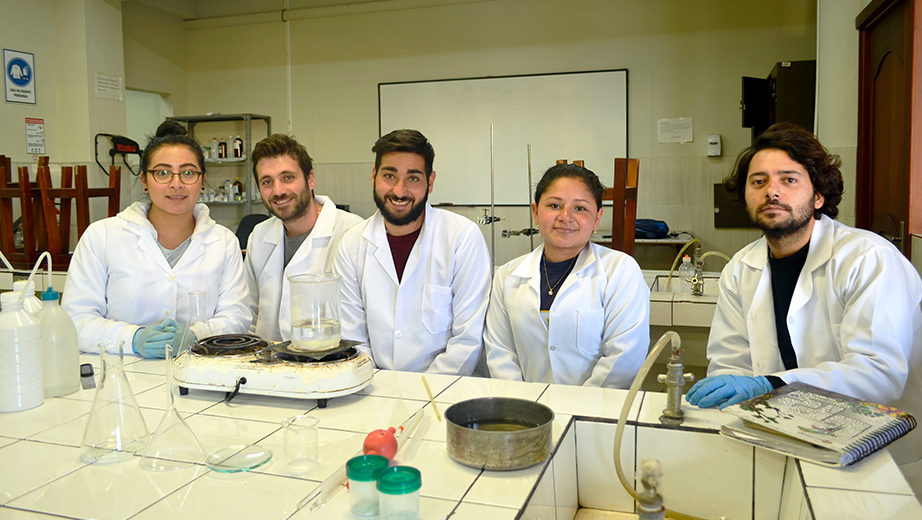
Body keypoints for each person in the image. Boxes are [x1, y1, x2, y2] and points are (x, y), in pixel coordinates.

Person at [685, 123, 922, 491]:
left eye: (789, 179)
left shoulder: (869, 258)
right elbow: (730, 362)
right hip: (788, 438)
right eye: (758, 181)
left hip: (880, 448)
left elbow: (879, 374)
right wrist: (722, 387)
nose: (772, 192)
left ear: (818, 196)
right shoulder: (740, 269)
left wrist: (772, 383)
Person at [62, 121, 251, 358]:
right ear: (144, 180)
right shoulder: (102, 236)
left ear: (202, 181)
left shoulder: (224, 242)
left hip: (198, 374)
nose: (176, 183)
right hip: (122, 376)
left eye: (188, 173)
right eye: (162, 173)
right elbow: (76, 319)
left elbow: (237, 315)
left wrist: (196, 335)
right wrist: (133, 339)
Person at [333, 129, 491, 374]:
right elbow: (354, 339)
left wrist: (423, 396)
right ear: (374, 176)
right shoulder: (351, 244)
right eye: (389, 175)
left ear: (431, 181)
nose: (399, 190)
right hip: (374, 389)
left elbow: (467, 341)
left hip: (444, 392)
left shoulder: (462, 238)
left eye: (413, 178)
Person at [483, 163, 649, 387]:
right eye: (554, 205)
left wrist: (578, 408)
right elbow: (500, 352)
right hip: (525, 414)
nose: (565, 216)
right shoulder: (508, 275)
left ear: (597, 218)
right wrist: (522, 406)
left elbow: (624, 358)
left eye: (580, 208)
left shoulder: (620, 270)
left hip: (597, 413)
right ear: (535, 212)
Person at [244, 134, 361, 341]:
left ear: (310, 179)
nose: (278, 191)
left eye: (288, 177)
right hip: (268, 363)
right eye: (267, 182)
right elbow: (249, 315)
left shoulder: (353, 233)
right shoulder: (259, 236)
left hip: (328, 364)